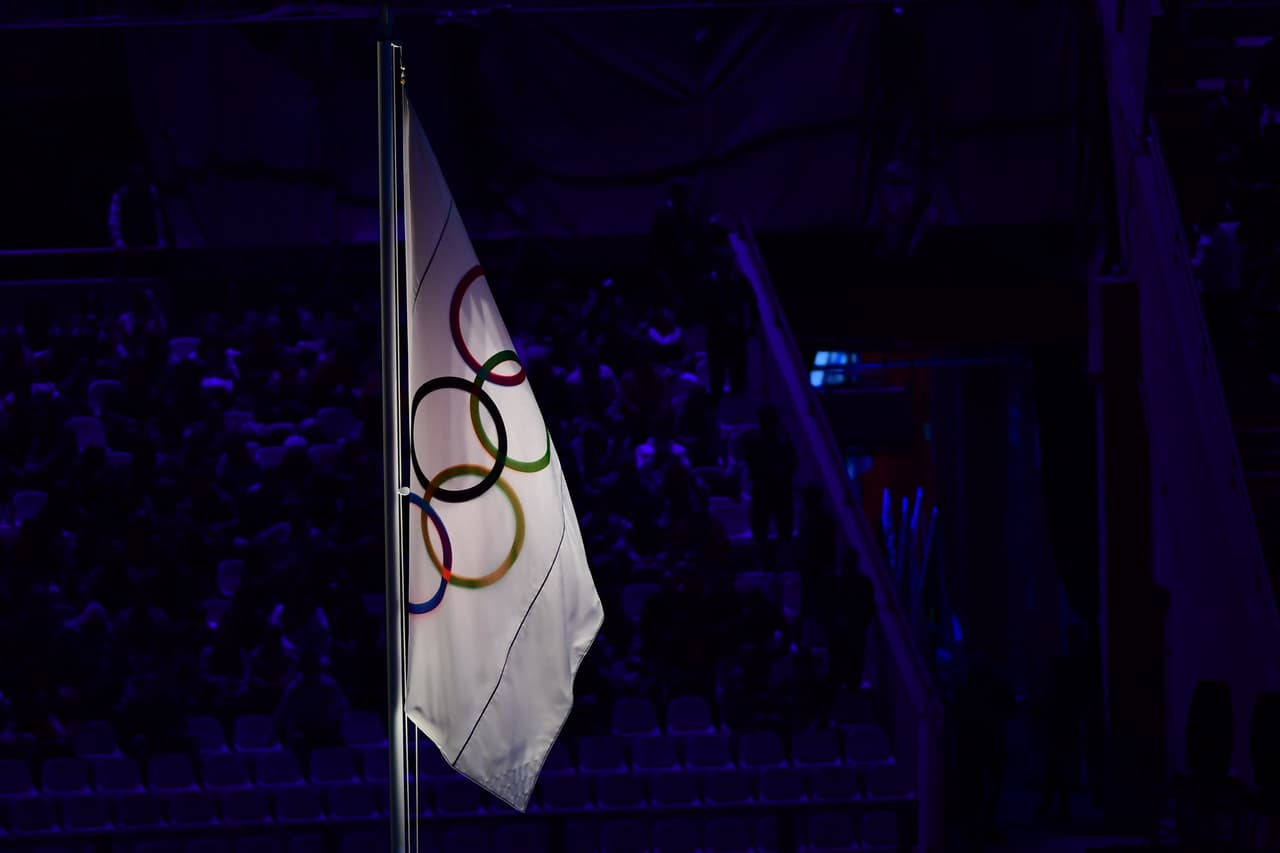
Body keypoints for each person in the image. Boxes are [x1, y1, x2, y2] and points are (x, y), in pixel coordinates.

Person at [740, 404, 797, 569]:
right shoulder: (755, 440)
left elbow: (792, 463)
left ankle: (778, 566)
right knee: (763, 533)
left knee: (780, 533)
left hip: (774, 491)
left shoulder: (782, 440)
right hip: (767, 492)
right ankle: (767, 566)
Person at [109, 164, 166, 250]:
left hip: (149, 236)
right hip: (128, 237)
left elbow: (158, 215)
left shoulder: (151, 191)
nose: (137, 179)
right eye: (134, 176)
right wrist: (118, 239)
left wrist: (161, 238)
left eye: (139, 176)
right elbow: (114, 216)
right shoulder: (121, 193)